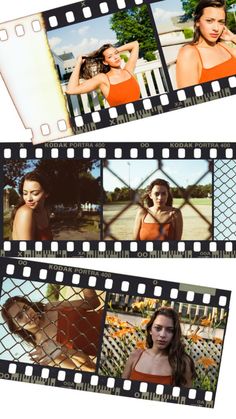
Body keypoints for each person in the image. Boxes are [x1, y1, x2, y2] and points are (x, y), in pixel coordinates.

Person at [1, 289, 103, 371]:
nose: (27, 314)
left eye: (26, 308)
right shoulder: (44, 350)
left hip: (112, 319)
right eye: (19, 317)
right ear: (16, 327)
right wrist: (65, 350)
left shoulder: (50, 307)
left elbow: (92, 303)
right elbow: (91, 368)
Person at [122, 307, 196, 386]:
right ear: (150, 330)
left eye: (169, 330)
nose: (162, 335)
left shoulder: (182, 363)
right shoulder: (135, 356)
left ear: (174, 334)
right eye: (158, 328)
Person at [176, 0, 236, 88]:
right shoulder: (189, 53)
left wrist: (233, 38)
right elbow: (189, 98)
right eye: (209, 21)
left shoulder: (224, 47)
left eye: (221, 22)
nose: (216, 28)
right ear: (197, 22)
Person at [66, 41, 140, 107]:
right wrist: (78, 64)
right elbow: (71, 90)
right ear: (105, 62)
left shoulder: (128, 70)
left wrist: (114, 50)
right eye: (110, 57)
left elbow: (135, 44)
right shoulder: (103, 79)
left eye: (116, 54)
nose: (115, 57)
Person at [11, 170, 53, 241]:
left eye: (35, 193)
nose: (29, 199)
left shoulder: (45, 210)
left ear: (46, 193)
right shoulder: (25, 213)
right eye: (25, 193)